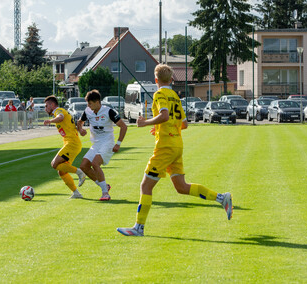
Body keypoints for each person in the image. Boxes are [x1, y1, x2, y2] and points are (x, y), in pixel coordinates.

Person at [117, 64, 232, 237]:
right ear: (171, 79)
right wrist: (160, 128)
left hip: (165, 147)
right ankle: (222, 198)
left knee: (145, 185)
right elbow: (184, 124)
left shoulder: (160, 94)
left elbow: (164, 115)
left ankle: (138, 227)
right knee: (181, 187)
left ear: (156, 80)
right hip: (177, 144)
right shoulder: (176, 97)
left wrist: (145, 123)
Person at [76, 90, 127, 201]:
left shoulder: (109, 111)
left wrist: (118, 144)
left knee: (95, 163)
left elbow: (123, 126)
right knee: (84, 166)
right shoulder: (88, 111)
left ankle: (105, 193)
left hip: (108, 143)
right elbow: (79, 122)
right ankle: (104, 186)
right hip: (96, 143)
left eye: (90, 103)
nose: (88, 106)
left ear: (97, 102)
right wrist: (81, 130)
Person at [43, 95, 86, 199]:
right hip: (72, 143)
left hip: (71, 144)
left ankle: (80, 172)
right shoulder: (61, 111)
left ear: (53, 105)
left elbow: (60, 117)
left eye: (46, 105)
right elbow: (71, 124)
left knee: (54, 164)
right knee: (61, 171)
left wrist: (50, 121)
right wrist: (80, 129)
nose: (45, 108)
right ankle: (76, 193)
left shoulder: (58, 111)